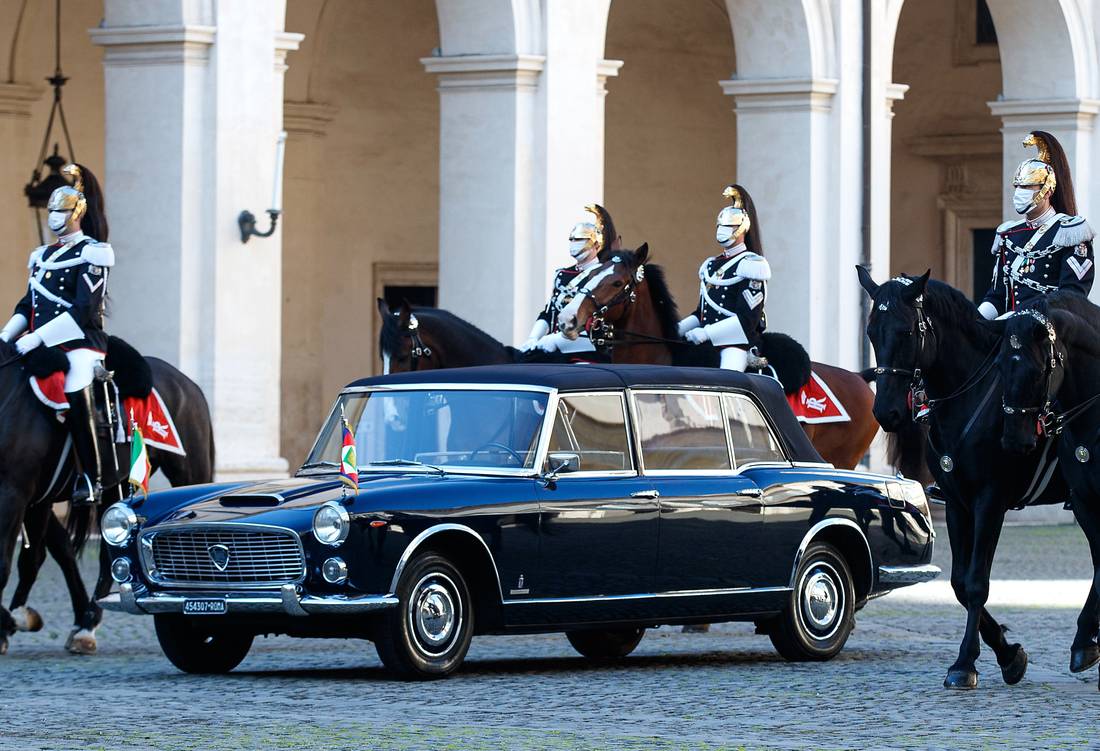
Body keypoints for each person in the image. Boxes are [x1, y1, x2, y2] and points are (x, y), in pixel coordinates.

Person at [0, 164, 114, 504]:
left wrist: (38, 337)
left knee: (76, 383)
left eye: (60, 210)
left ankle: (92, 477)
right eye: (50, 210)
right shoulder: (43, 256)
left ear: (77, 212)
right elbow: (27, 303)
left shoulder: (93, 252)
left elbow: (84, 310)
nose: (53, 217)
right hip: (39, 342)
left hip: (80, 343)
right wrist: (7, 335)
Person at [979, 130, 1094, 320]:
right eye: (1017, 186)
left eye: (1026, 187)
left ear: (1047, 190)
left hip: (1049, 332)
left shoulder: (1070, 231)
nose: (1019, 192)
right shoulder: (1008, 234)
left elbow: (1073, 296)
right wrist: (975, 319)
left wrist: (1019, 317)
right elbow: (997, 295)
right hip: (1008, 327)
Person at [678, 184, 771, 371]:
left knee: (729, 378)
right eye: (720, 226)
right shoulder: (711, 265)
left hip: (735, 344)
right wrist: (678, 328)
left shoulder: (751, 266)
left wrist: (707, 333)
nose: (723, 230)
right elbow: (702, 313)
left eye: (729, 226)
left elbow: (746, 321)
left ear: (742, 228)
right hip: (707, 340)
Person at [519, 204, 620, 357]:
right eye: (572, 239)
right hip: (552, 347)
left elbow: (599, 322)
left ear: (596, 244)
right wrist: (533, 338)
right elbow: (549, 312)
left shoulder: (603, 275)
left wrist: (556, 341)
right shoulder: (562, 274)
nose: (574, 243)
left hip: (585, 350)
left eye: (580, 239)